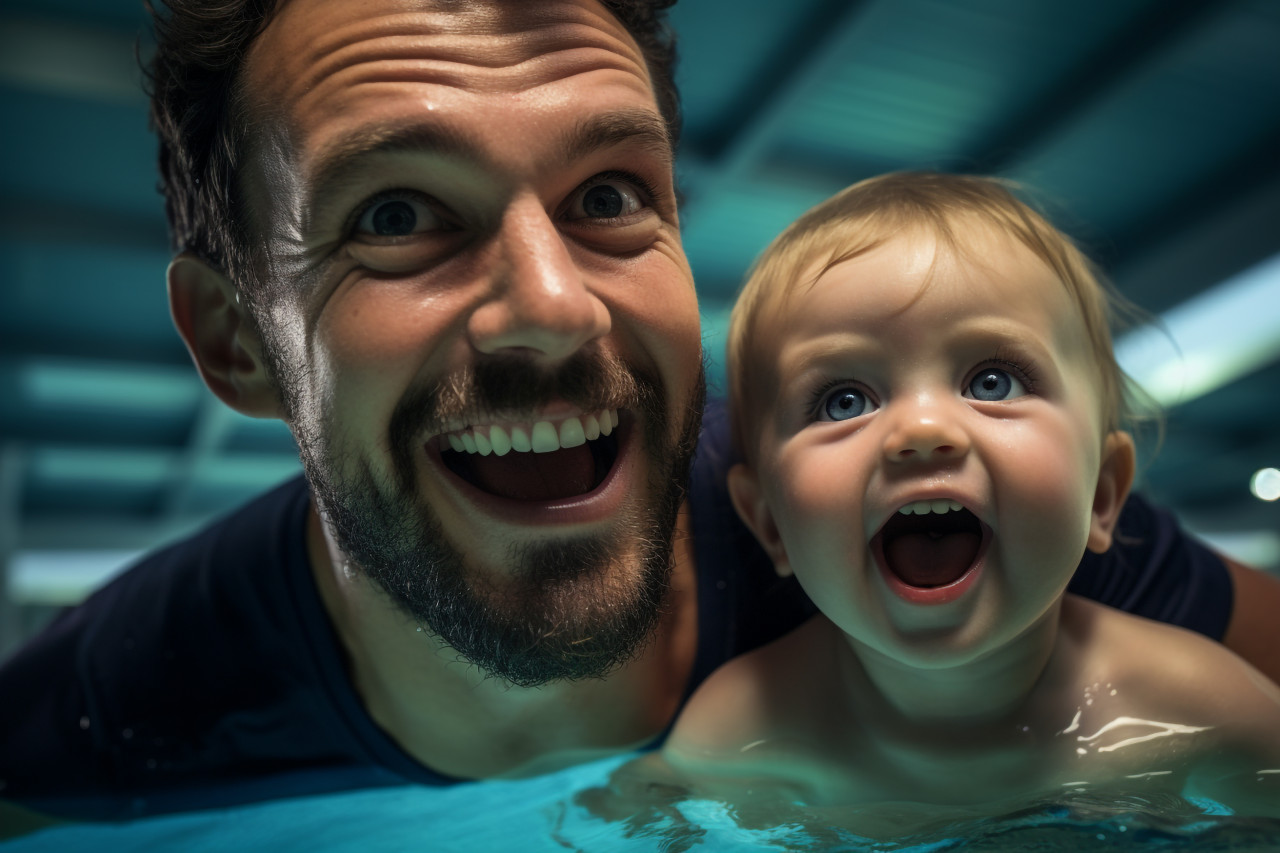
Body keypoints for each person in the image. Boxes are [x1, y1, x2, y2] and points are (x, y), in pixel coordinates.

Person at [0, 0, 1276, 828]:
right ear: (237, 341)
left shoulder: (947, 534)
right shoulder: (132, 696)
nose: (553, 308)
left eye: (608, 194)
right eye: (395, 215)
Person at [653, 172, 1280, 830]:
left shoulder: (1200, 713)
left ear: (1102, 495)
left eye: (992, 382)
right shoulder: (734, 739)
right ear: (771, 525)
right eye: (844, 401)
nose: (923, 429)